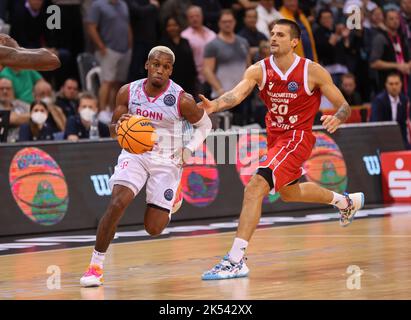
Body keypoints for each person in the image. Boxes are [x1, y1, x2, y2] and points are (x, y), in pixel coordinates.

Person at [199, 19, 364, 280]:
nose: (273, 38)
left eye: (280, 34)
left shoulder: (312, 71)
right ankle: (344, 202)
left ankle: (235, 259)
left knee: (254, 187)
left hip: (297, 138)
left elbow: (343, 105)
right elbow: (237, 94)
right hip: (275, 139)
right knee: (289, 193)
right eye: (272, 33)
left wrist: (338, 117)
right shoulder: (258, 70)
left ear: (294, 41)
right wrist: (215, 106)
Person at [79, 46, 212, 287]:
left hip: (167, 160)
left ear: (171, 70)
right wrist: (121, 126)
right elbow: (111, 130)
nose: (159, 70)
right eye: (155, 64)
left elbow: (206, 125)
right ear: (147, 65)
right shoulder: (127, 92)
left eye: (165, 66)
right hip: (135, 153)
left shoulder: (182, 100)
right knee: (117, 202)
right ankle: (95, 267)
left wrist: (188, 149)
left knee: (153, 228)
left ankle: (174, 196)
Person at [370, 72, 410, 149]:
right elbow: (376, 124)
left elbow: (403, 125)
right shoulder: (379, 101)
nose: (394, 87)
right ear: (386, 85)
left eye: (396, 83)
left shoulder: (404, 100)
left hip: (397, 138)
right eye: (391, 84)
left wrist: (405, 143)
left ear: (401, 84)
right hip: (381, 138)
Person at [0, 77, 30, 142]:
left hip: (22, 143)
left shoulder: (21, 104)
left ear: (13, 90)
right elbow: (10, 119)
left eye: (8, 88)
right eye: (1, 89)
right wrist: (26, 118)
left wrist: (17, 118)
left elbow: (35, 114)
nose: (5, 91)